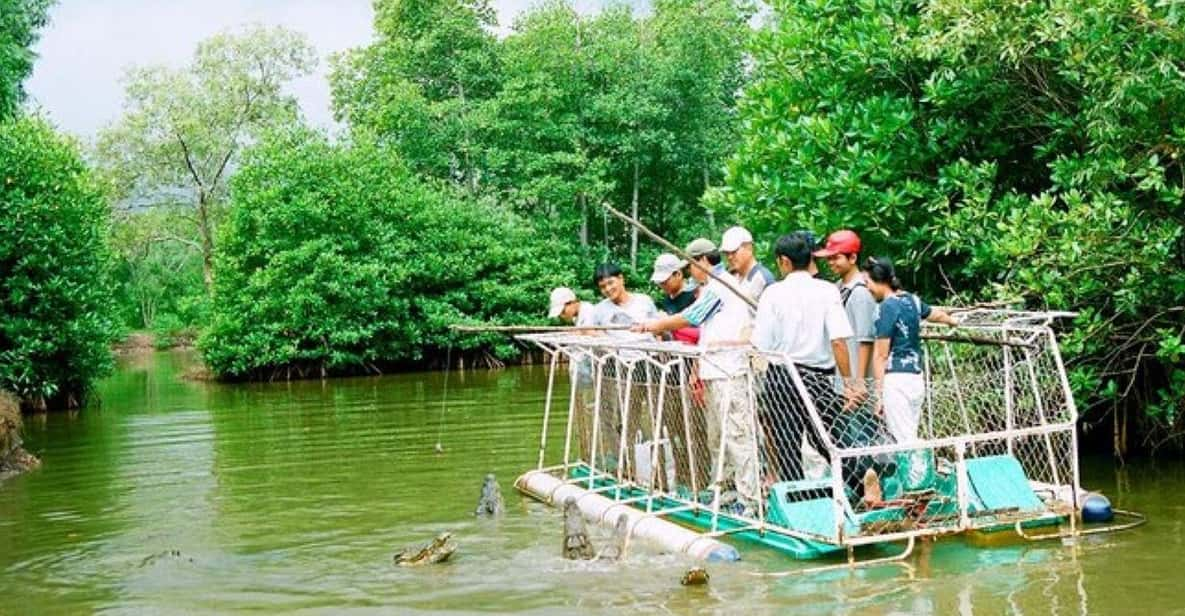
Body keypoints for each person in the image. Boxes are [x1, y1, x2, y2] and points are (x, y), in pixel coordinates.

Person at [634, 235, 765, 517]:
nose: (690, 272)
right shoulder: (709, 287)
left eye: (690, 265)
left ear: (702, 261)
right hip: (715, 371)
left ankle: (751, 501)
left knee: (738, 436)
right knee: (718, 436)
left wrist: (654, 324)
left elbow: (693, 316)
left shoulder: (722, 286)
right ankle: (728, 489)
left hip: (730, 371)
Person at [751, 231, 858, 485]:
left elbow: (762, 345)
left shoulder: (772, 293)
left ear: (784, 261)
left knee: (787, 445)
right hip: (819, 378)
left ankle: (798, 502)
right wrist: (850, 383)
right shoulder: (828, 290)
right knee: (830, 438)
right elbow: (839, 340)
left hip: (783, 377)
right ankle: (860, 483)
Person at [863, 257, 958, 443]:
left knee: (903, 440)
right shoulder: (912, 300)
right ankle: (916, 470)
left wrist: (879, 395)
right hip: (915, 378)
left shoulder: (886, 307)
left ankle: (918, 471)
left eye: (867, 282)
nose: (867, 288)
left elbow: (881, 356)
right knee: (910, 432)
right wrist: (951, 320)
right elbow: (934, 314)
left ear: (878, 280)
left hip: (896, 380)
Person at [814, 230, 877, 383]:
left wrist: (859, 382)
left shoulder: (861, 292)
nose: (830, 263)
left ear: (853, 258)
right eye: (829, 258)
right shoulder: (839, 288)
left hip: (857, 381)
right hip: (842, 379)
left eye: (836, 258)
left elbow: (866, 340)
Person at [591, 262, 660, 326]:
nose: (608, 289)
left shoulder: (644, 301)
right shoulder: (599, 310)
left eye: (610, 283)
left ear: (621, 278)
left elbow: (659, 332)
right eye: (602, 286)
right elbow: (591, 332)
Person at [719, 226, 776, 299]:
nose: (729, 257)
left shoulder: (763, 279)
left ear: (749, 248)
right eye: (726, 253)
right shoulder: (729, 277)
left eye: (734, 251)